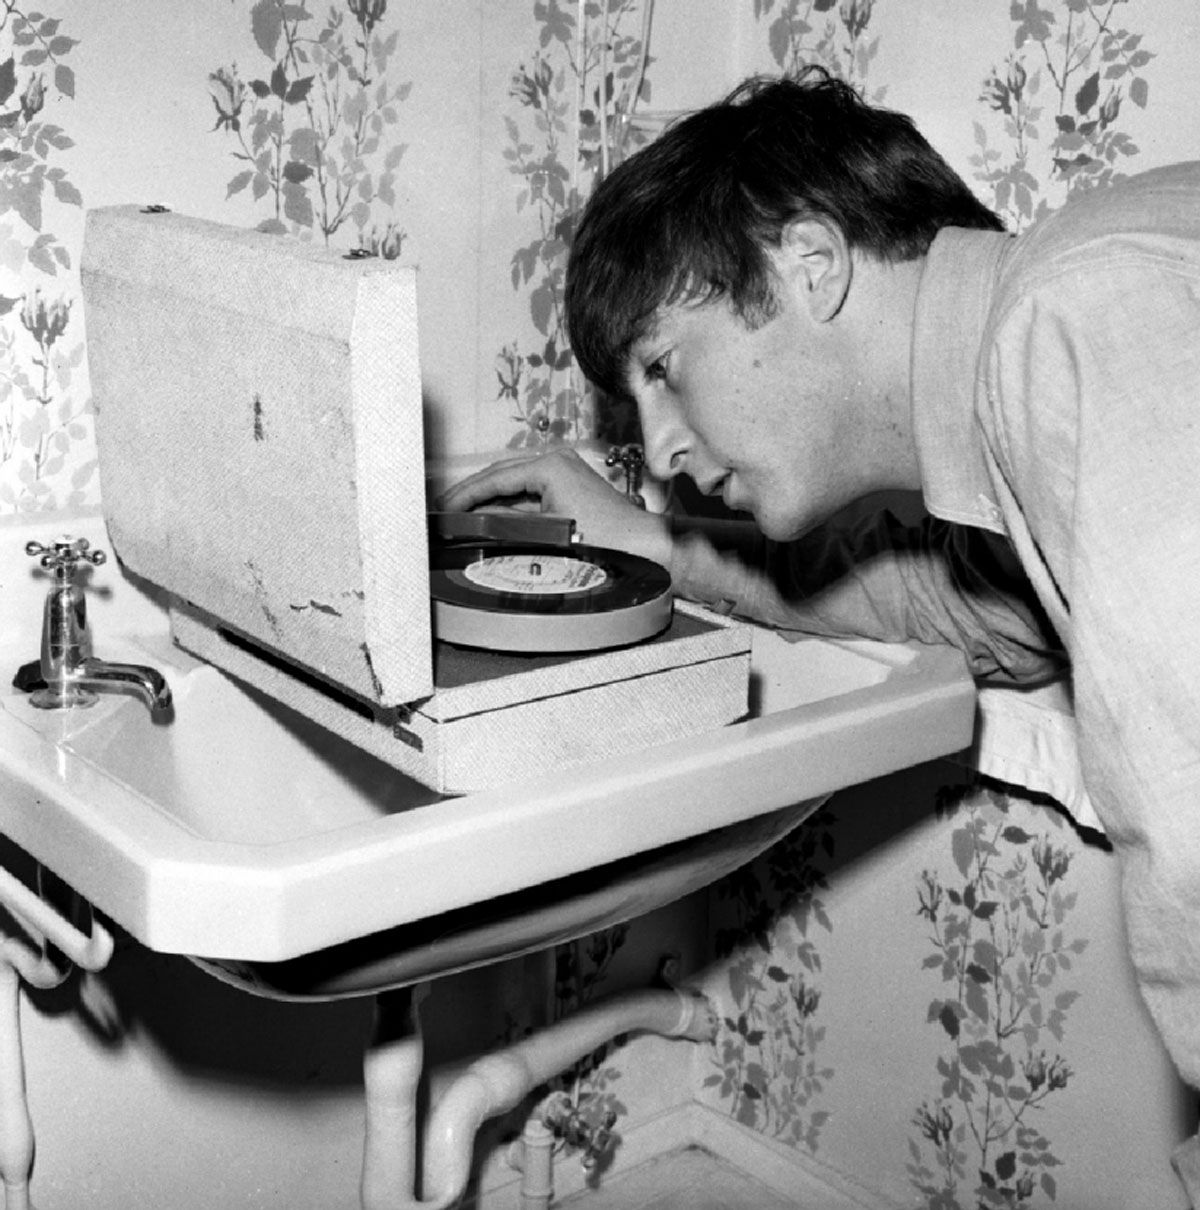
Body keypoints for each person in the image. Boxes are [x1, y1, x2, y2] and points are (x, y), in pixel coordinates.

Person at [442, 69, 1200, 1192]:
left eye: (663, 368)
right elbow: (929, 606)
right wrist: (647, 546)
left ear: (812, 263)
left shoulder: (1077, 319)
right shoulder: (1018, 428)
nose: (658, 453)